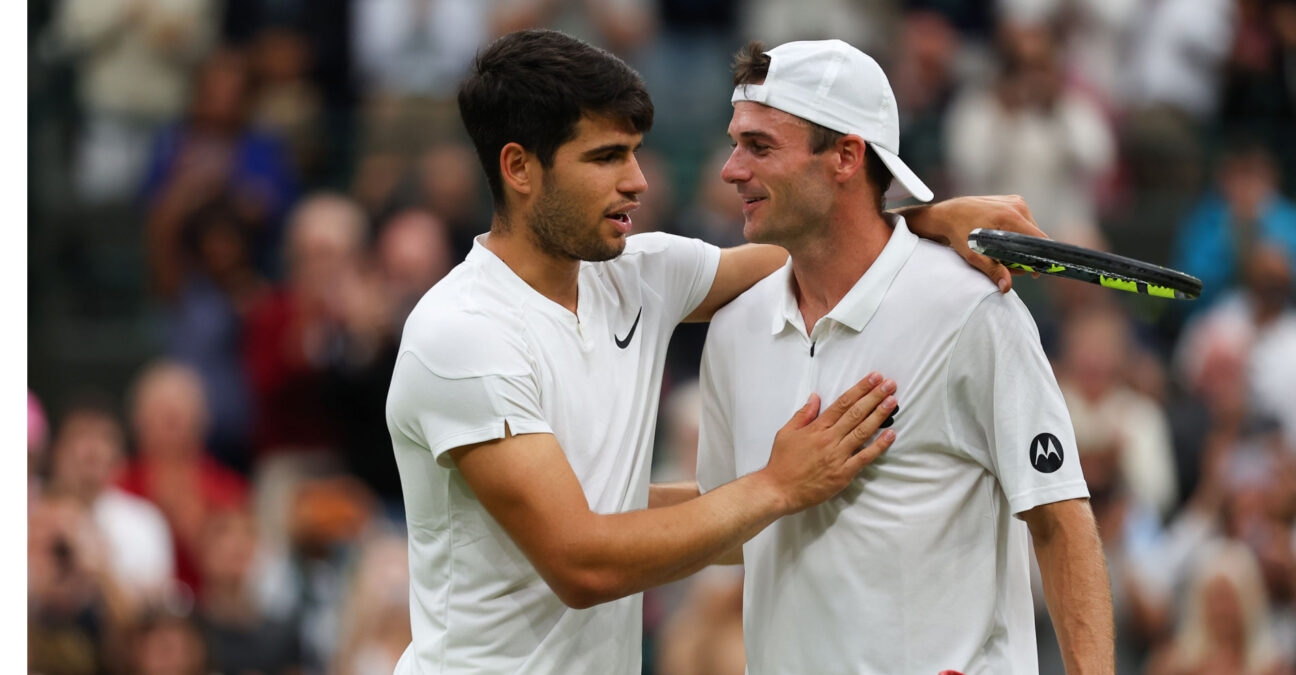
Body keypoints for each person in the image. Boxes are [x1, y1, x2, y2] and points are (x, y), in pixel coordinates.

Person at [386, 28, 1047, 674]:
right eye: (605, 157)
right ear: (519, 168)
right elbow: (582, 562)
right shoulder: (463, 335)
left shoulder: (639, 275)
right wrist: (778, 484)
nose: (638, 180)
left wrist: (931, 218)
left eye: (635, 151)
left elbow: (818, 238)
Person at [694, 39, 1114, 674]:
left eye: (759, 146)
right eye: (736, 142)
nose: (730, 169)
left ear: (845, 156)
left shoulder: (973, 310)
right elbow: (729, 524)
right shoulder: (731, 330)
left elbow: (1059, 520)